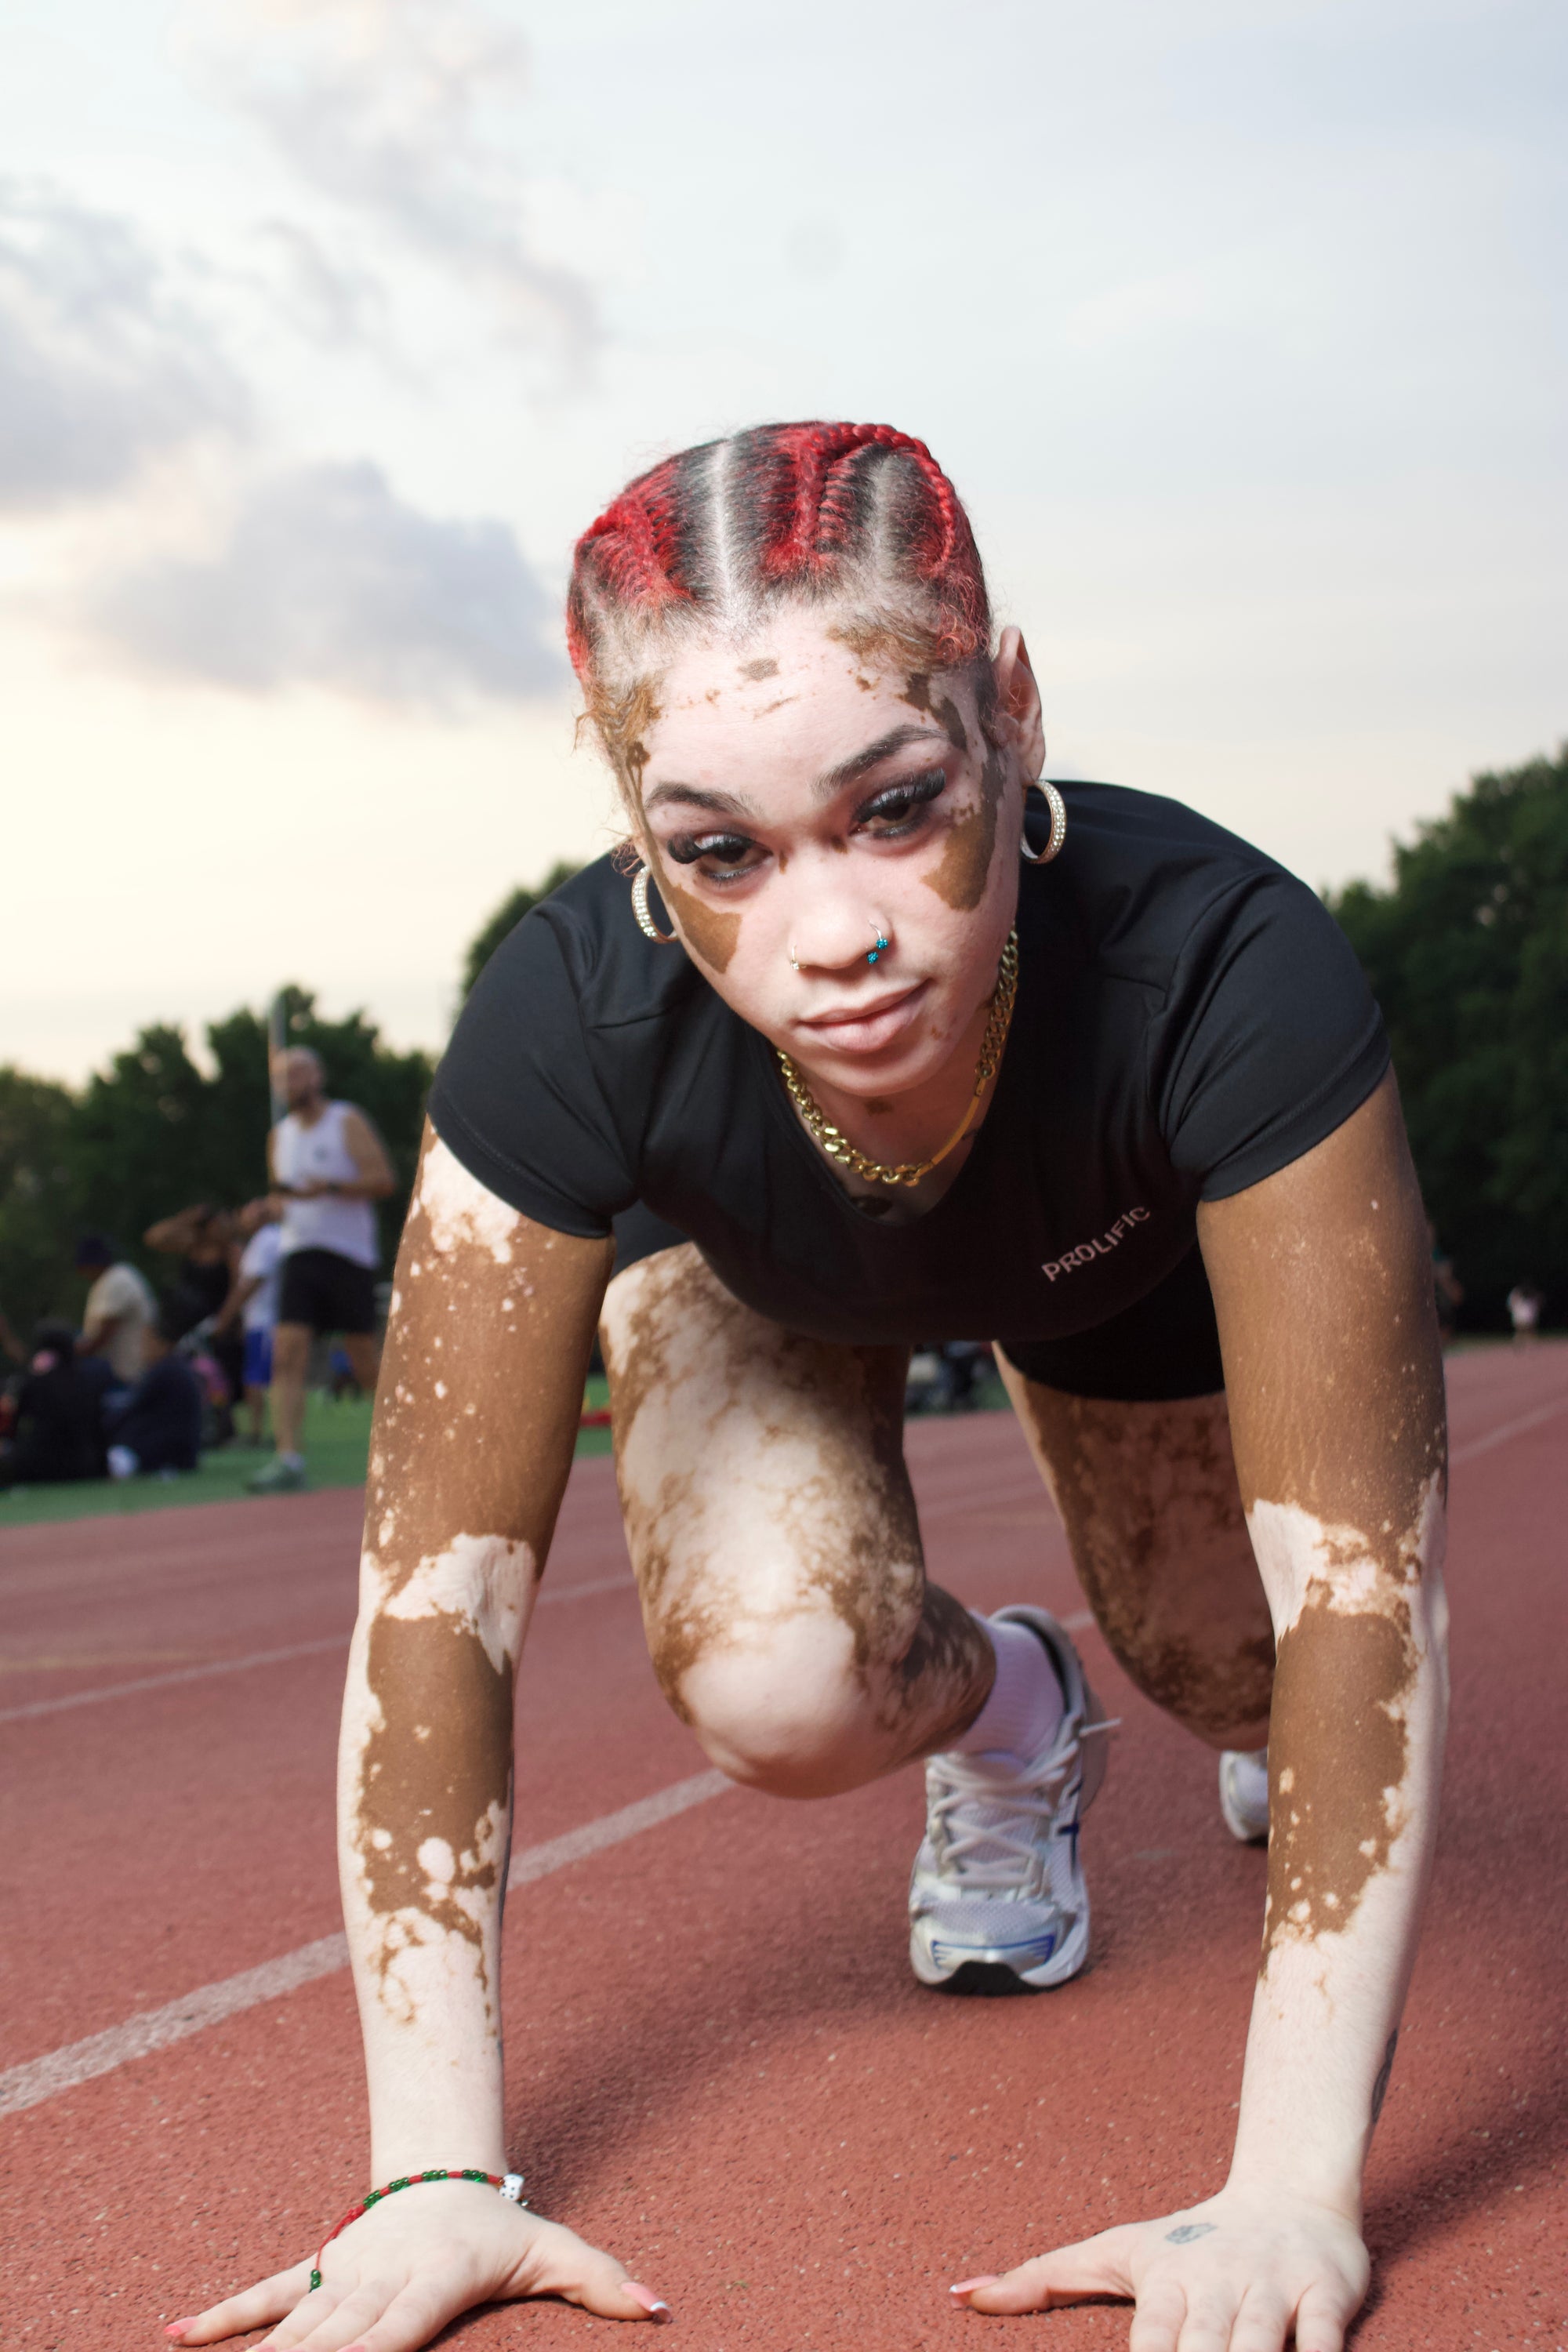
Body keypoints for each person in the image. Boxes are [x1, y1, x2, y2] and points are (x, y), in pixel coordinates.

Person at [187, 424, 1447, 2352]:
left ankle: (1159, 1673)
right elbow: (432, 1605)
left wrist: (1288, 2185)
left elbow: (1369, 1592)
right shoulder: (562, 1025)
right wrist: (432, 2173)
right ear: (634, 822)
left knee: (1252, 1664)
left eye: (895, 804)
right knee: (780, 1684)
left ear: (1007, 713)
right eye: (720, 851)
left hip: (1103, 1269)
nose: (836, 935)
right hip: (752, 1274)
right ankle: (1012, 1703)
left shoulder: (1221, 963)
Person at [248, 1047, 394, 1494]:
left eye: (298, 1073)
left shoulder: (345, 1121)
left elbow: (383, 1180)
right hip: (299, 1251)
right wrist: (265, 1211)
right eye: (282, 1077)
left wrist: (329, 1187)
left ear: (318, 1076)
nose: (290, 1082)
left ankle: (404, 1445)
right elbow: (284, 1199)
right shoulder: (280, 1136)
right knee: (286, 1351)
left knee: (362, 1356)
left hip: (347, 1253)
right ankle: (288, 1456)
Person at [145, 1203, 243, 1407]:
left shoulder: (231, 1253)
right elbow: (153, 1238)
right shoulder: (192, 1244)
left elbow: (237, 1291)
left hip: (210, 1321)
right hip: (182, 1315)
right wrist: (186, 1219)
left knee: (210, 1373)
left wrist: (223, 1322)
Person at [0, 1321, 107, 1488]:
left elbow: (15, 1423)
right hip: (85, 1465)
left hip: (40, 1466)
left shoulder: (37, 1381)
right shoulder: (87, 1380)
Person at [215, 1201, 283, 1446]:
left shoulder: (267, 1239)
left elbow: (251, 1283)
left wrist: (227, 1315)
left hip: (266, 1322)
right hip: (261, 1321)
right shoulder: (261, 1241)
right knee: (258, 1377)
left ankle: (260, 1434)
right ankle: (263, 1432)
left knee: (258, 1379)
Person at [74, 1233, 157, 1388]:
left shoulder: (116, 1281)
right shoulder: (120, 1276)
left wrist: (71, 1354)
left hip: (128, 1375)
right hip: (131, 1372)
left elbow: (103, 1335)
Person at [1505, 1281, 1544, 1345]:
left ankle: (1527, 1343)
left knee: (1527, 1330)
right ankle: (1521, 1343)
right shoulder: (1517, 1293)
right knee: (1524, 1330)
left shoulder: (1530, 1294)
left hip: (1525, 1314)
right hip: (1521, 1314)